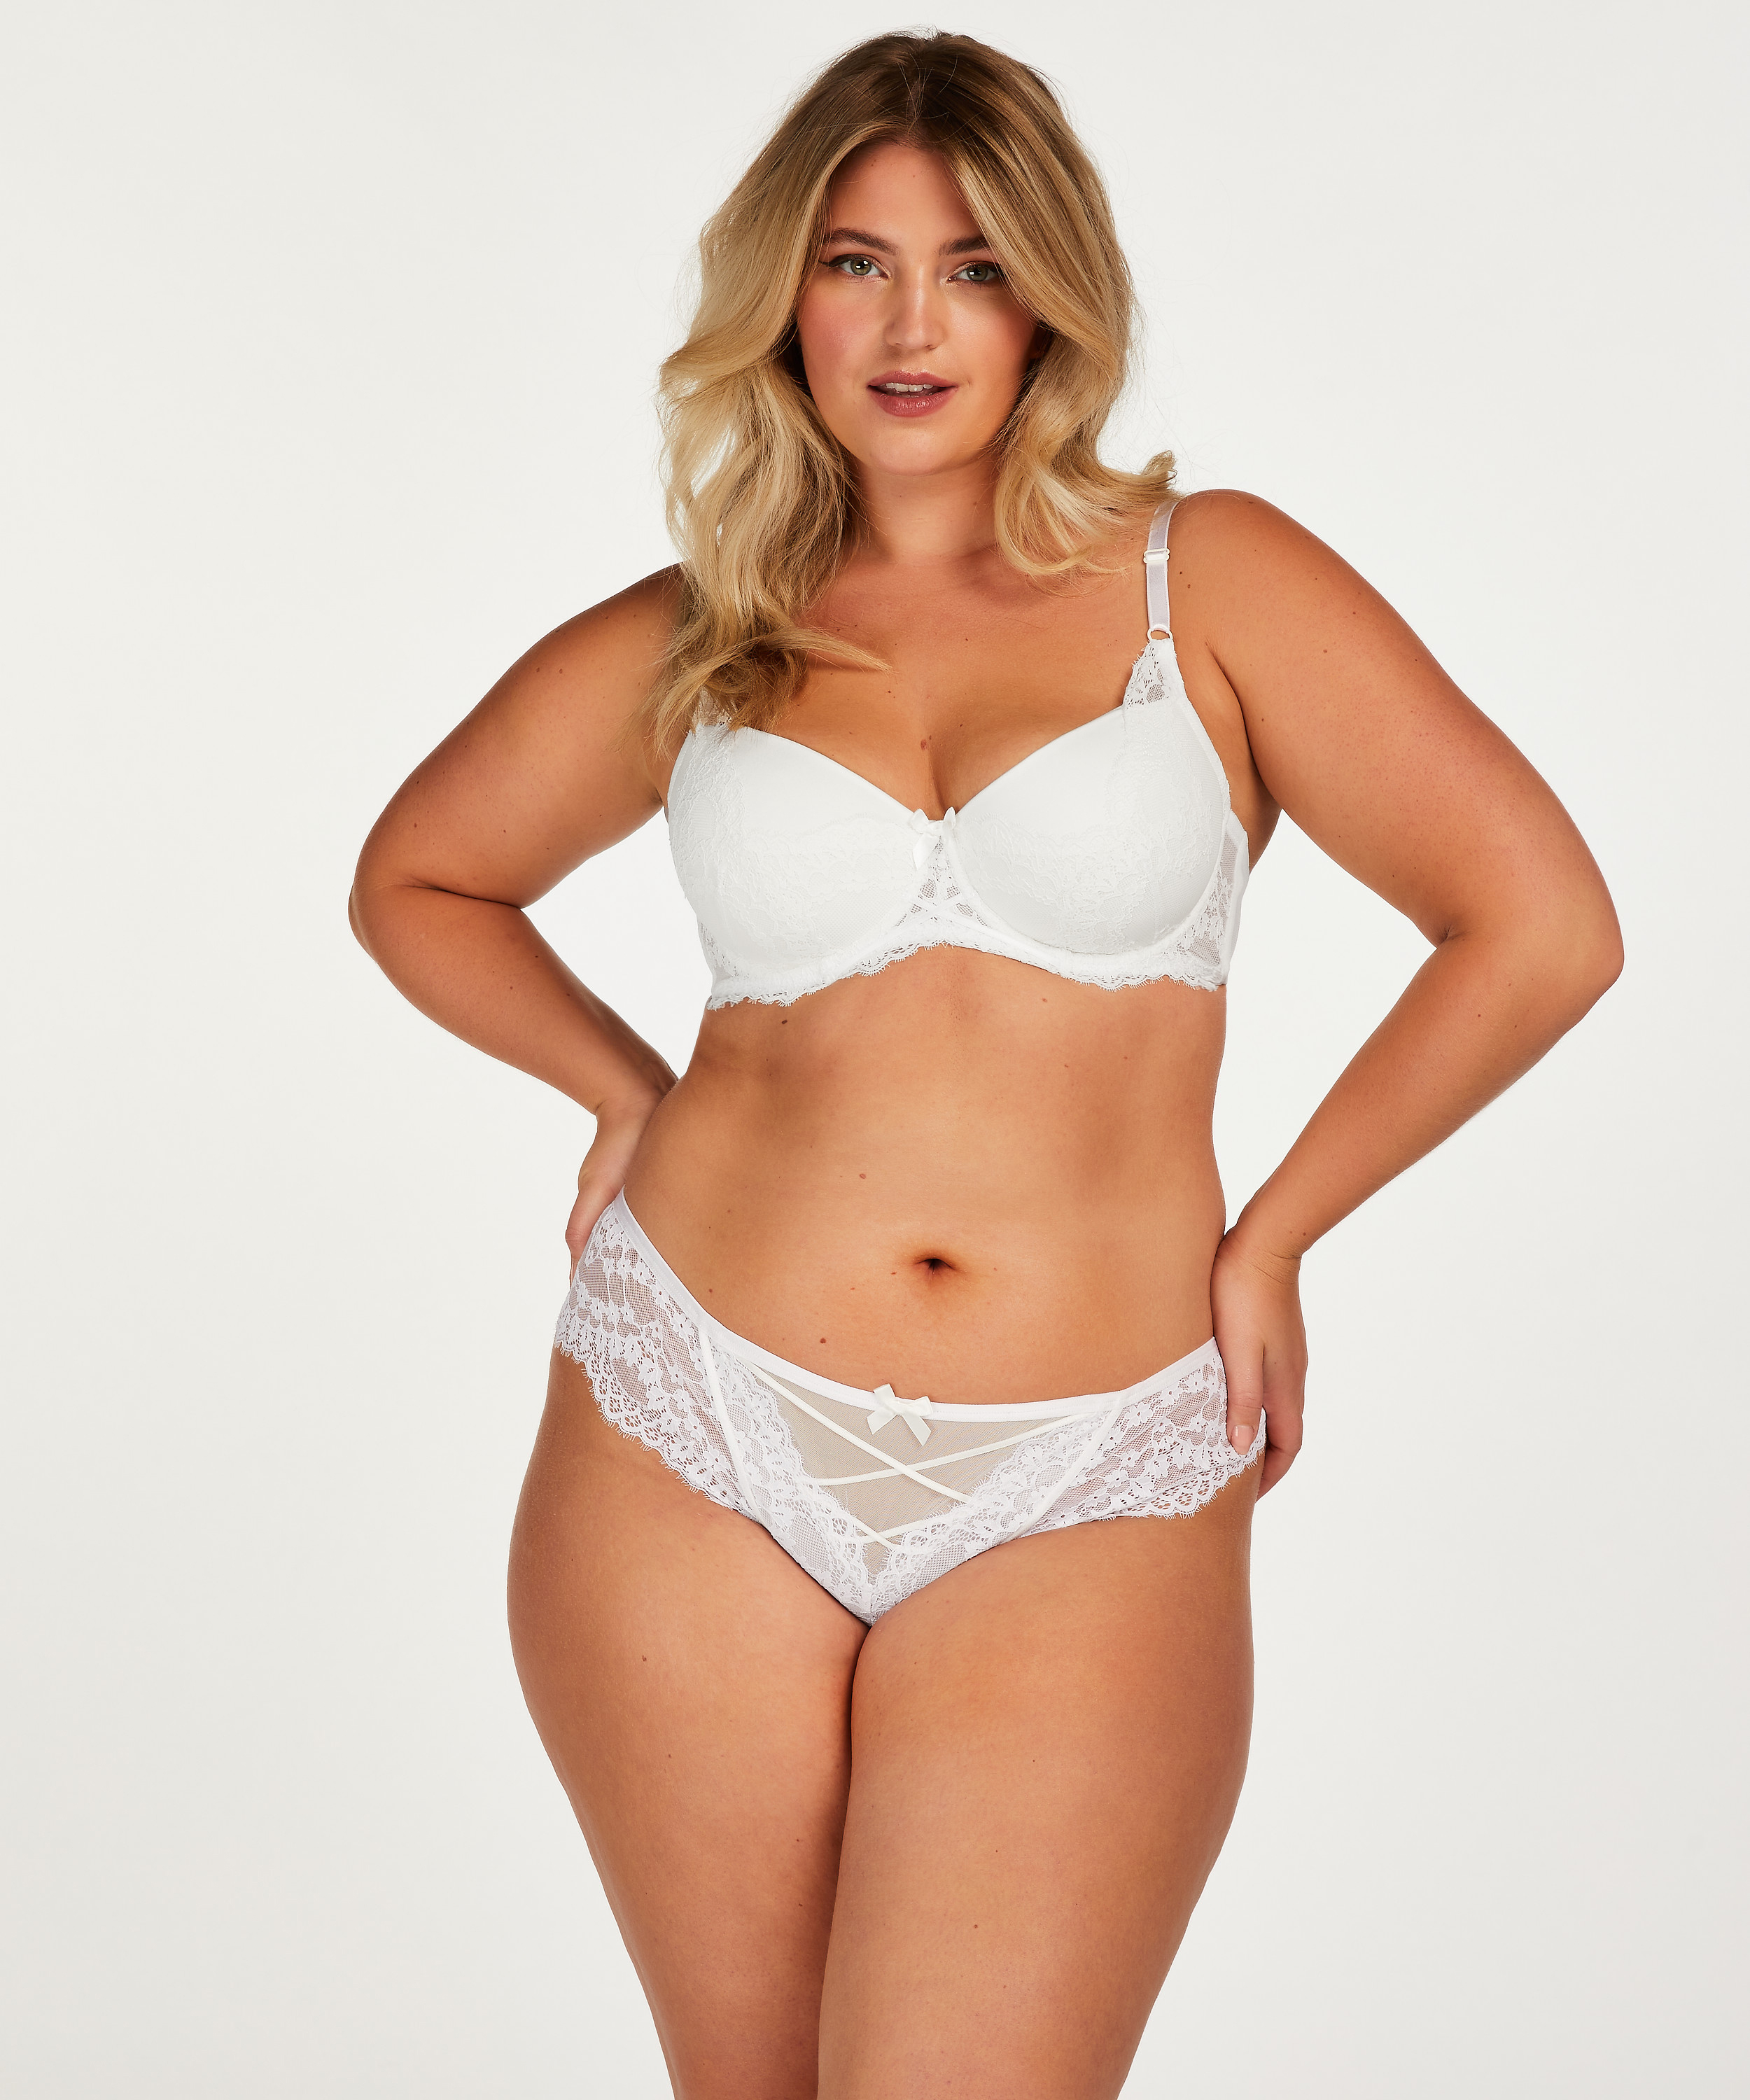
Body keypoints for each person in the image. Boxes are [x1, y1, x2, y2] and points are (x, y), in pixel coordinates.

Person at [349, 29, 1621, 2099]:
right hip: (686, 1425)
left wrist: (1277, 1235)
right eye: (854, 264)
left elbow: (1540, 925)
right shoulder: (711, 629)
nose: (912, 323)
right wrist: (623, 1092)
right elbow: (420, 877)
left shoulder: (1211, 580)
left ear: (1053, 298)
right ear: (785, 297)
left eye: (973, 266)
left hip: (1093, 1460)